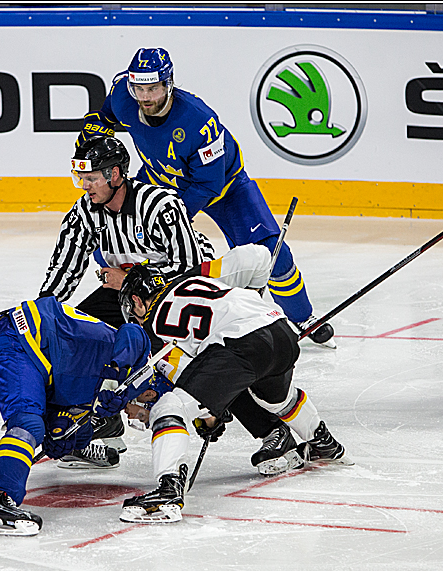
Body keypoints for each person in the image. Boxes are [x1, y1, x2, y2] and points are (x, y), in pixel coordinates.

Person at [38, 136, 287, 467]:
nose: (84, 186)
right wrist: (42, 313)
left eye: (91, 178)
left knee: (202, 362)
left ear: (114, 175)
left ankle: (271, 431)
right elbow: (64, 267)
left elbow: (187, 268)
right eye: (81, 178)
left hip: (177, 291)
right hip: (125, 294)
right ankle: (102, 429)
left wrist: (128, 280)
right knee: (77, 338)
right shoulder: (85, 211)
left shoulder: (159, 203)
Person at [78, 47, 336, 348]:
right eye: (139, 88)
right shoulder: (124, 94)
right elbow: (107, 115)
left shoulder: (199, 121)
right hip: (160, 178)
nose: (145, 96)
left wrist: (167, 217)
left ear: (168, 84)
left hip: (225, 190)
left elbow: (207, 186)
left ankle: (303, 317)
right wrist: (95, 127)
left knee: (273, 254)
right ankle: (138, 310)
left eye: (153, 88)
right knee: (115, 239)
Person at [103, 245, 347, 524]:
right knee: (278, 401)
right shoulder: (193, 279)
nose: (133, 315)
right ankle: (322, 442)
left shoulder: (153, 329)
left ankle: (167, 491)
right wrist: (254, 296)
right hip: (280, 329)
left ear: (137, 300)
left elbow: (186, 375)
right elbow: (258, 257)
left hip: (241, 344)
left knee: (170, 406)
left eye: (131, 308)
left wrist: (209, 414)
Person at [0, 296, 151, 536]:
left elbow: (70, 413)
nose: (135, 419)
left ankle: (4, 497)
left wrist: (62, 435)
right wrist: (114, 373)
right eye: (142, 417)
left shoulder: (110, 396)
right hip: (19, 335)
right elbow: (134, 333)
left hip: (40, 353)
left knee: (63, 433)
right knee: (28, 424)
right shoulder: (137, 375)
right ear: (148, 397)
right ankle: (1, 501)